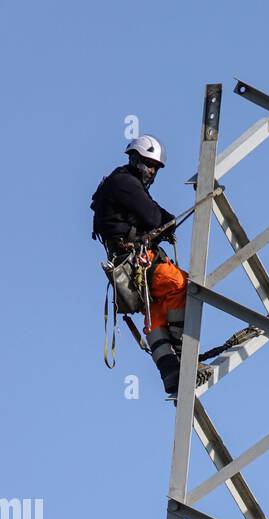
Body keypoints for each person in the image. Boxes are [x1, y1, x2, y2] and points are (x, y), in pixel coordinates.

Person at [91, 136, 191, 396]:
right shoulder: (125, 183)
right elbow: (152, 215)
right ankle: (183, 351)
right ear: (134, 160)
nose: (152, 172)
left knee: (156, 311)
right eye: (148, 165)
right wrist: (167, 222)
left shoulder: (121, 183)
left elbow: (150, 211)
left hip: (126, 265)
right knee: (182, 284)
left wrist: (165, 223)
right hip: (136, 260)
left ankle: (170, 372)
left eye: (155, 167)